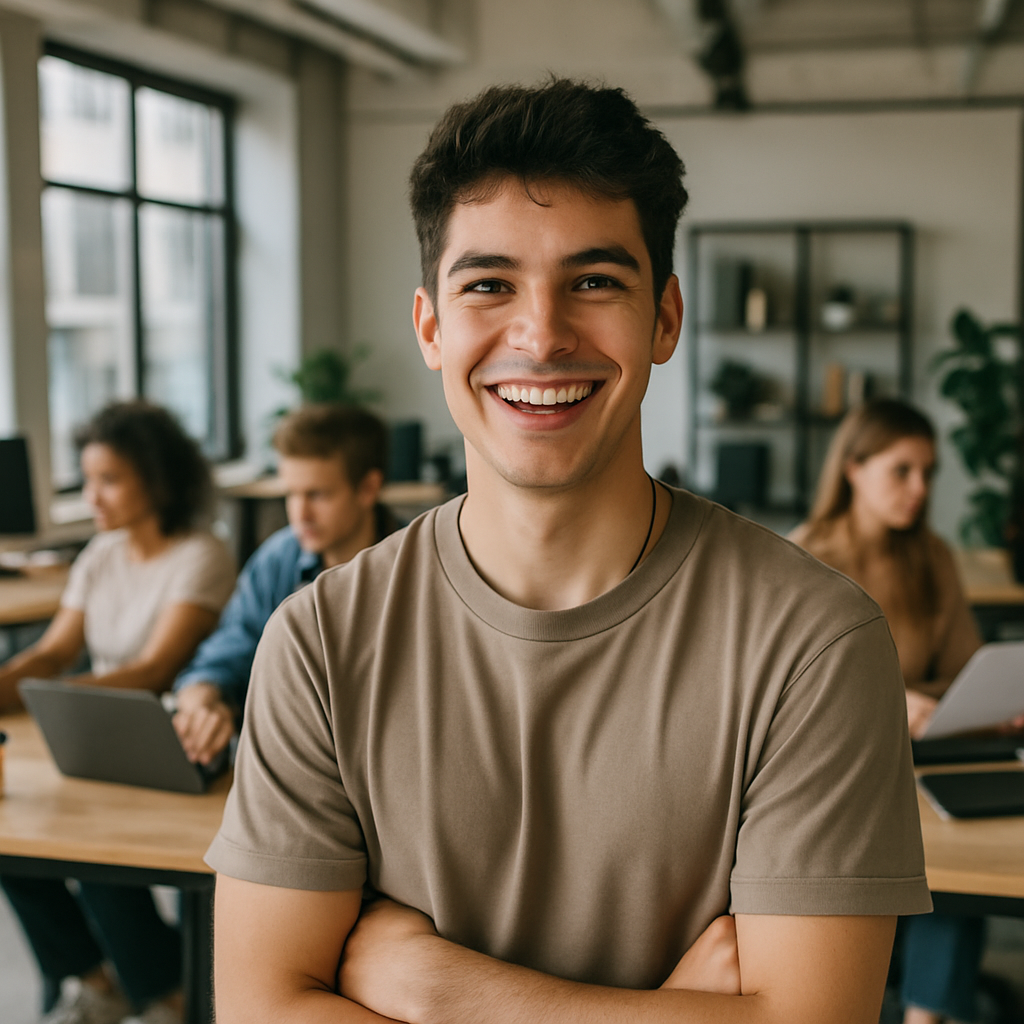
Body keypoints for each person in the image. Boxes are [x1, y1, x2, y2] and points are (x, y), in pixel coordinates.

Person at [209, 79, 932, 1024]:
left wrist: (437, 989)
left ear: (664, 318)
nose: (542, 335)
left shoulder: (813, 643)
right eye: (488, 285)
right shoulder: (319, 643)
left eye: (594, 281)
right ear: (431, 326)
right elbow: (263, 1011)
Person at [0, 401, 236, 1024]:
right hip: (92, 732)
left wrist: (65, 696)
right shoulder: (100, 554)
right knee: (12, 843)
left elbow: (159, 669)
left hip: (169, 741)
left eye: (109, 479)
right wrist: (8, 684)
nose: (93, 497)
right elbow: (53, 651)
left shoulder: (201, 554)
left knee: (90, 848)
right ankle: (97, 979)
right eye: (89, 479)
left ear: (155, 479)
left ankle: (163, 993)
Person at [789, 398, 993, 1024]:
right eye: (901, 471)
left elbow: (964, 666)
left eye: (928, 473)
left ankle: (926, 1015)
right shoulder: (802, 556)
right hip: (834, 774)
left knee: (964, 862)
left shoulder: (932, 557)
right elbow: (784, 694)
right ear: (853, 467)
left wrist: (985, 703)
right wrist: (884, 702)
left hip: (927, 765)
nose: (920, 488)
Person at [171, 403, 396, 766]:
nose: (299, 514)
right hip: (292, 766)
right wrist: (201, 697)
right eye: (291, 494)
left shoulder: (419, 566)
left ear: (368, 488)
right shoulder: (278, 558)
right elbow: (231, 648)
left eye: (317, 495)